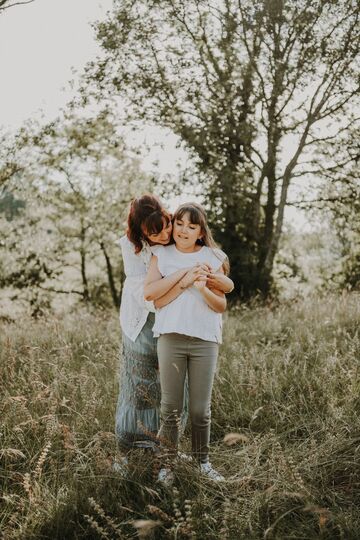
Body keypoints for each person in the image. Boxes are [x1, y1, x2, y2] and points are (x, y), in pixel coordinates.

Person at [115, 195, 233, 467]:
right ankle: (134, 449)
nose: (166, 234)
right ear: (140, 232)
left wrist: (201, 285)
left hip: (188, 328)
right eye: (154, 233)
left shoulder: (189, 245)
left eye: (167, 226)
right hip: (145, 321)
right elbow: (148, 295)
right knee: (142, 388)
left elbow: (224, 290)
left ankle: (181, 455)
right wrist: (183, 281)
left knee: (184, 400)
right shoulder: (137, 248)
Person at [144, 202, 232, 483]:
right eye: (179, 223)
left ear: (200, 231)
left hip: (205, 339)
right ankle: (167, 466)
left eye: (191, 226)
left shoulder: (214, 256)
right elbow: (154, 299)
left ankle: (202, 463)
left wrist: (202, 287)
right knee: (170, 408)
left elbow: (221, 304)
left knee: (198, 409)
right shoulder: (162, 255)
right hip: (170, 337)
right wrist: (182, 280)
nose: (183, 230)